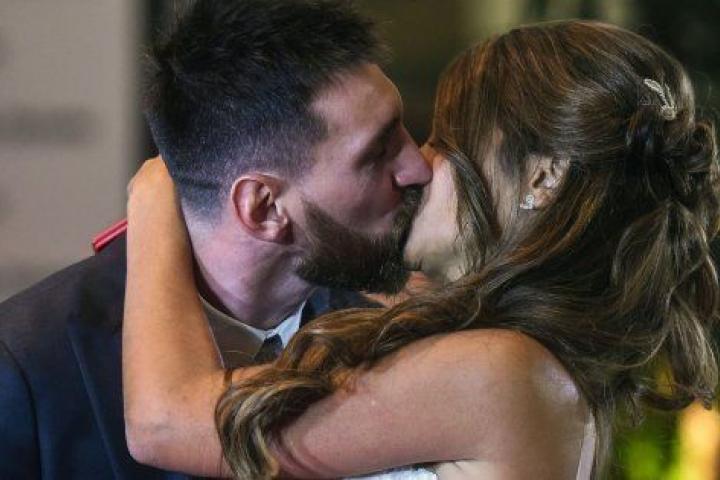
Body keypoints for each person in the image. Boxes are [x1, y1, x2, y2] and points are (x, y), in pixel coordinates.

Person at [123, 20, 720, 480]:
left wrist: (155, 199)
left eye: (446, 140)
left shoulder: (498, 371)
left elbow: (166, 424)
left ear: (542, 178)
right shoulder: (521, 366)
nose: (418, 166)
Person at [0, 1, 431, 478]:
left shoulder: (395, 336)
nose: (419, 167)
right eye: (377, 153)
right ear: (263, 208)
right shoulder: (26, 366)